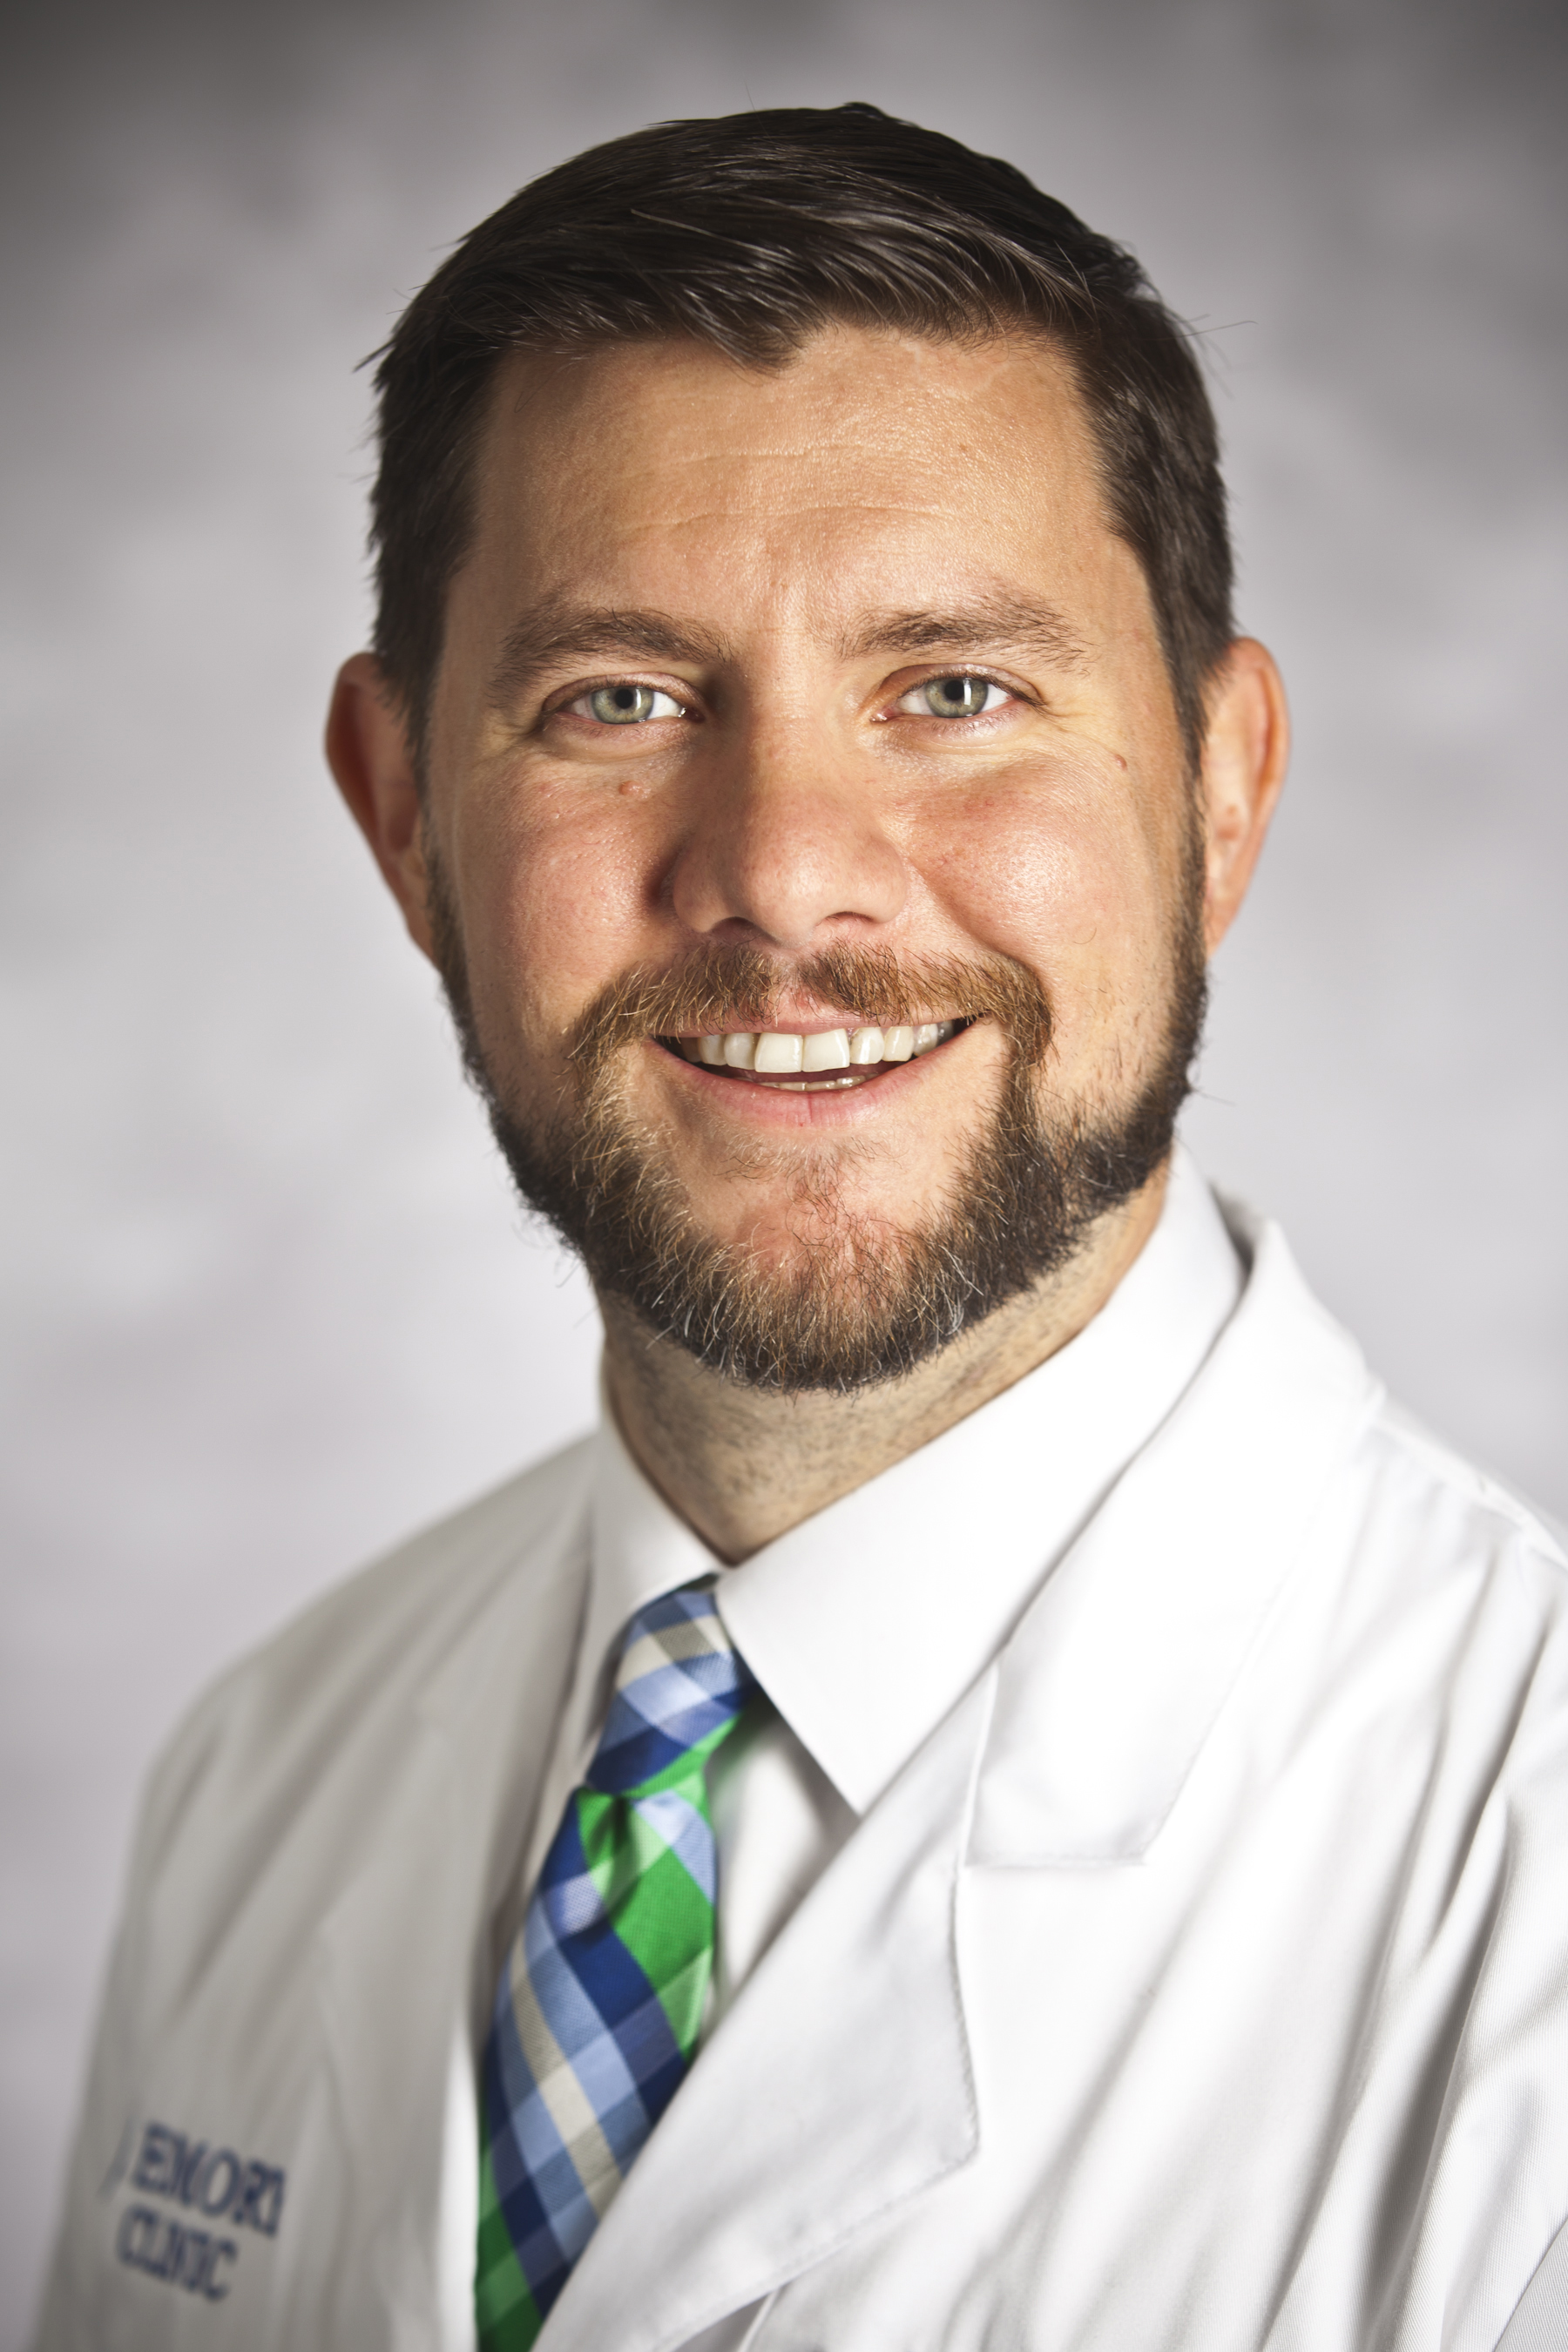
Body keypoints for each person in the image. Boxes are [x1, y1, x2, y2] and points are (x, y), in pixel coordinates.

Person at [33, 103, 1568, 2352]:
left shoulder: (1523, 1894)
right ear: (401, 817)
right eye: (621, 701)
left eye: (955, 690)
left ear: (1221, 789)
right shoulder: (268, 1768)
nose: (783, 870)